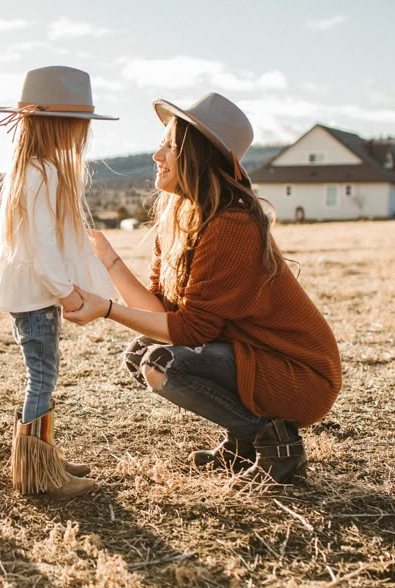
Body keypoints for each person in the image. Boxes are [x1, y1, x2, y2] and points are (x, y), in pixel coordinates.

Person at [64, 92, 342, 484]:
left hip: (296, 374)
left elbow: (191, 330)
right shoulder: (182, 216)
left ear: (198, 156)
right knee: (141, 352)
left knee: (160, 364)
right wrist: (106, 258)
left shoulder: (231, 224)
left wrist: (107, 310)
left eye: (169, 146)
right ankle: (242, 444)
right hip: (250, 359)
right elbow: (161, 314)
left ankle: (276, 444)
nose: (157, 155)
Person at [0, 66, 118, 498]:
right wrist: (66, 292)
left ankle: (44, 458)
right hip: (38, 295)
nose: (81, 137)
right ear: (57, 126)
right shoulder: (40, 174)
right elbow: (44, 249)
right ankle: (37, 475)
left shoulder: (31, 169)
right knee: (42, 377)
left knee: (43, 374)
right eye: (77, 127)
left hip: (32, 294)